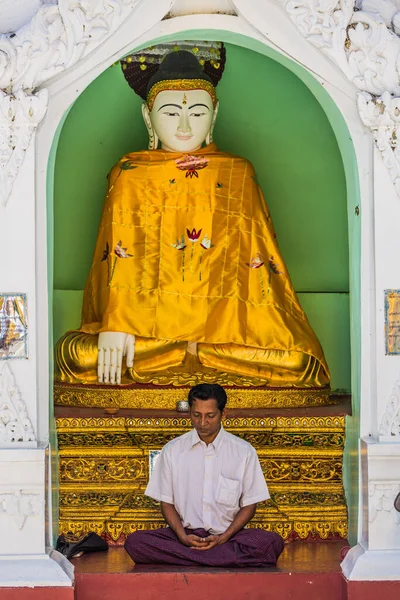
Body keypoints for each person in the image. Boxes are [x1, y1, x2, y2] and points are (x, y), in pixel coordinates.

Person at [55, 49, 329, 390]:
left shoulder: (238, 173)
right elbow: (117, 260)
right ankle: (189, 347)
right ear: (147, 116)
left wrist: (212, 331)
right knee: (74, 355)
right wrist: (115, 323)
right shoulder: (130, 174)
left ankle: (193, 347)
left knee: (300, 362)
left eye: (197, 113)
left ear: (214, 116)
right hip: (148, 334)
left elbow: (260, 277)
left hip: (223, 334)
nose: (184, 126)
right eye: (170, 112)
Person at [124, 383, 284, 567]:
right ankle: (218, 558)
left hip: (228, 536)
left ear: (223, 414)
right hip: (185, 535)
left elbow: (249, 506)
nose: (202, 423)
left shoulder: (244, 452)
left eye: (210, 416)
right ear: (190, 412)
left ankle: (192, 558)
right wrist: (183, 537)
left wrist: (224, 537)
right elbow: (166, 503)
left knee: (271, 543)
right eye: (196, 415)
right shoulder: (172, 450)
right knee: (135, 542)